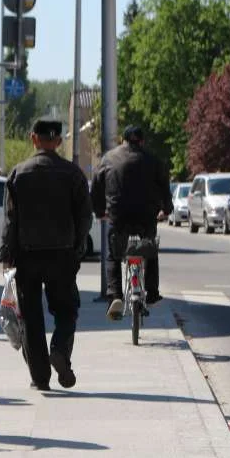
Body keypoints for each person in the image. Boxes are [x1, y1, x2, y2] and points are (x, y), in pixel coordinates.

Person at [0, 120, 92, 391]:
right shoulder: (73, 174)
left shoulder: (19, 173)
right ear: (59, 141)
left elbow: (10, 219)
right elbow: (84, 217)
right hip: (62, 254)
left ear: (33, 139)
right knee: (66, 309)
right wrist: (77, 247)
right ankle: (60, 350)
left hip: (27, 256)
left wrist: (7, 253)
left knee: (31, 316)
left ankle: (40, 377)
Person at [91, 125, 172, 320]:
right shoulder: (153, 160)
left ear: (122, 140)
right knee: (150, 251)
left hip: (118, 216)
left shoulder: (109, 158)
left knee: (113, 255)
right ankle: (152, 293)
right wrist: (166, 210)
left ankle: (115, 295)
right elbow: (164, 188)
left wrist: (100, 211)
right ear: (142, 141)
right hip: (146, 216)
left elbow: (96, 186)